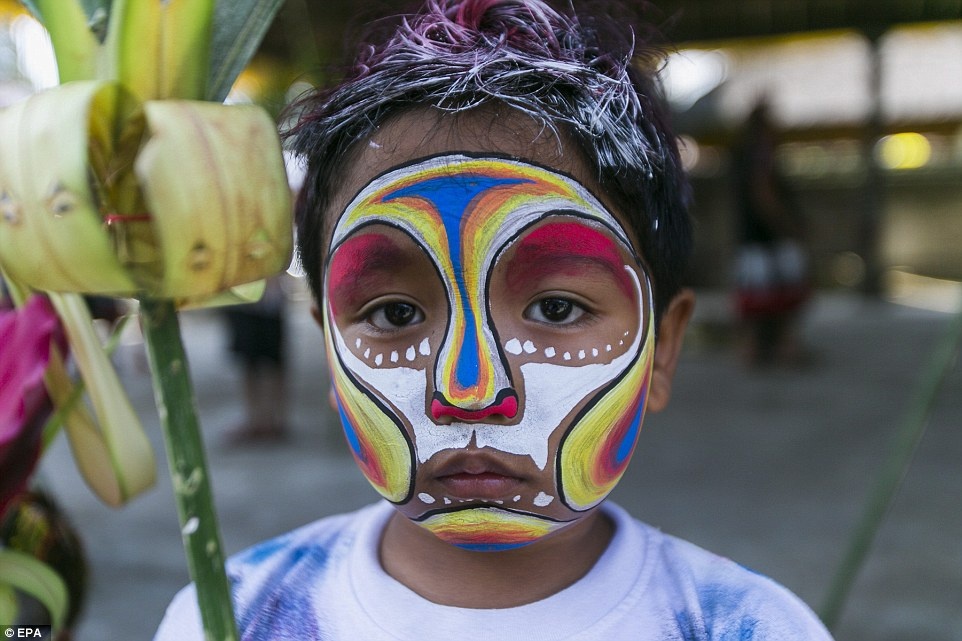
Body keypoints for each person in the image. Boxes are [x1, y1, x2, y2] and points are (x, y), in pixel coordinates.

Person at [155, 1, 833, 638]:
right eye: (394, 312)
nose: (470, 391)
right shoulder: (227, 617)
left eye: (557, 308)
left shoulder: (752, 626)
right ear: (330, 347)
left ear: (661, 350)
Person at [731, 100, 811, 368]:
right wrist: (788, 226)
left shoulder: (743, 155)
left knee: (762, 300)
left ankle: (760, 349)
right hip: (765, 242)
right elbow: (763, 195)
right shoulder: (759, 156)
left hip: (753, 241)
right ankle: (780, 348)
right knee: (775, 297)